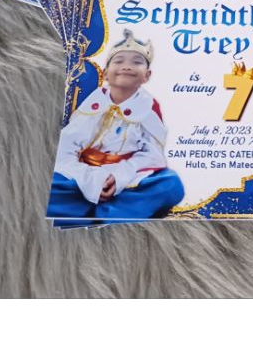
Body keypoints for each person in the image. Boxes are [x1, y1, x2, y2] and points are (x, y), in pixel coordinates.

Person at [47, 30, 184, 220]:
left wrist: (119, 176)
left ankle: (107, 213)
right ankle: (98, 207)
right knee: (52, 182)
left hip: (127, 176)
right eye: (119, 61)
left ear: (147, 75)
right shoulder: (91, 106)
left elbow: (153, 156)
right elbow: (65, 149)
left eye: (136, 62)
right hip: (84, 173)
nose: (127, 66)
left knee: (171, 184)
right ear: (105, 74)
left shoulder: (148, 109)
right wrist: (91, 179)